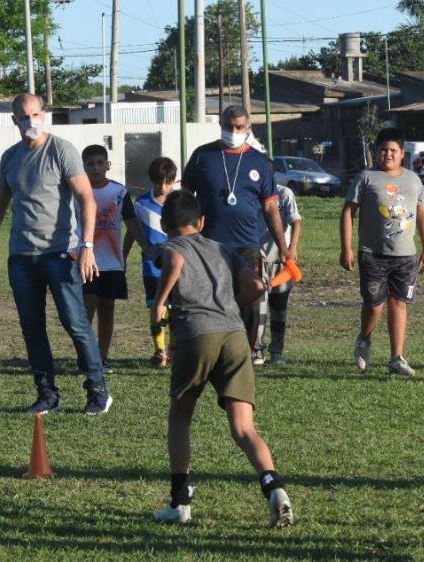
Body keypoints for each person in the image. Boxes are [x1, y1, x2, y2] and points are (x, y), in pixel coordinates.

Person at [150, 190, 294, 528]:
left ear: (163, 223)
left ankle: (180, 502)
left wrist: (160, 302)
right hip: (234, 336)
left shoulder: (171, 246)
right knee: (244, 428)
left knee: (181, 416)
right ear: (201, 222)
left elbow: (173, 261)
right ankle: (274, 487)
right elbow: (257, 285)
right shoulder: (221, 248)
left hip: (197, 334)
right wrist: (234, 301)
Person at [0, 93, 110, 416]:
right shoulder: (10, 158)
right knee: (32, 327)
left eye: (35, 114)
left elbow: (87, 199)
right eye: (23, 116)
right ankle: (48, 394)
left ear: (43, 114)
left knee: (75, 322)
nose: (30, 121)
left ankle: (98, 390)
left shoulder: (62, 150)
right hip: (21, 258)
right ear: (14, 119)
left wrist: (87, 247)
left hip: (60, 254)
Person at [181, 105, 291, 362]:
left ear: (248, 128)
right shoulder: (202, 156)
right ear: (221, 125)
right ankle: (208, 350)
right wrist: (185, 233)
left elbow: (271, 207)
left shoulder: (259, 161)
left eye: (239, 127)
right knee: (208, 297)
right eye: (229, 126)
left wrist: (283, 247)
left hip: (247, 244)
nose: (234, 131)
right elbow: (185, 197)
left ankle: (244, 350)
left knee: (251, 299)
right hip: (208, 243)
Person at [339, 127, 424, 376]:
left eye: (393, 150)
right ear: (376, 152)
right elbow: (348, 212)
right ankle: (364, 340)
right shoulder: (366, 177)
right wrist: (346, 247)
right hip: (373, 253)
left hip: (406, 255)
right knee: (374, 304)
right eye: (383, 150)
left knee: (399, 303)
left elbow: (422, 214)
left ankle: (396, 357)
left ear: (402, 153)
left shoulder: (412, 179)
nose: (387, 155)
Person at [81, 144, 150, 374]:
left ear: (108, 165)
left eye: (100, 163)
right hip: (84, 260)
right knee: (86, 306)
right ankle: (85, 357)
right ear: (83, 166)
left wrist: (147, 247)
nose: (95, 168)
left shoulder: (119, 193)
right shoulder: (78, 192)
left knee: (107, 307)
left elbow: (132, 223)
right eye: (90, 164)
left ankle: (102, 357)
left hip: (111, 261)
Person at [123, 156, 178, 367]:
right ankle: (160, 350)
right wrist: (124, 255)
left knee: (177, 309)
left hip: (179, 267)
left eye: (167, 182)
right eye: (158, 182)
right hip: (152, 266)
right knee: (157, 307)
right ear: (151, 181)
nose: (163, 187)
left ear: (173, 181)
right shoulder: (142, 203)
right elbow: (131, 231)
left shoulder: (179, 201)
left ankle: (173, 349)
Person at [255, 158, 303, 366]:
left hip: (281, 261)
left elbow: (296, 221)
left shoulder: (285, 194)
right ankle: (257, 351)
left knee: (279, 307)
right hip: (258, 260)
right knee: (259, 309)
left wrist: (291, 247)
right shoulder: (250, 195)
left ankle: (277, 353)